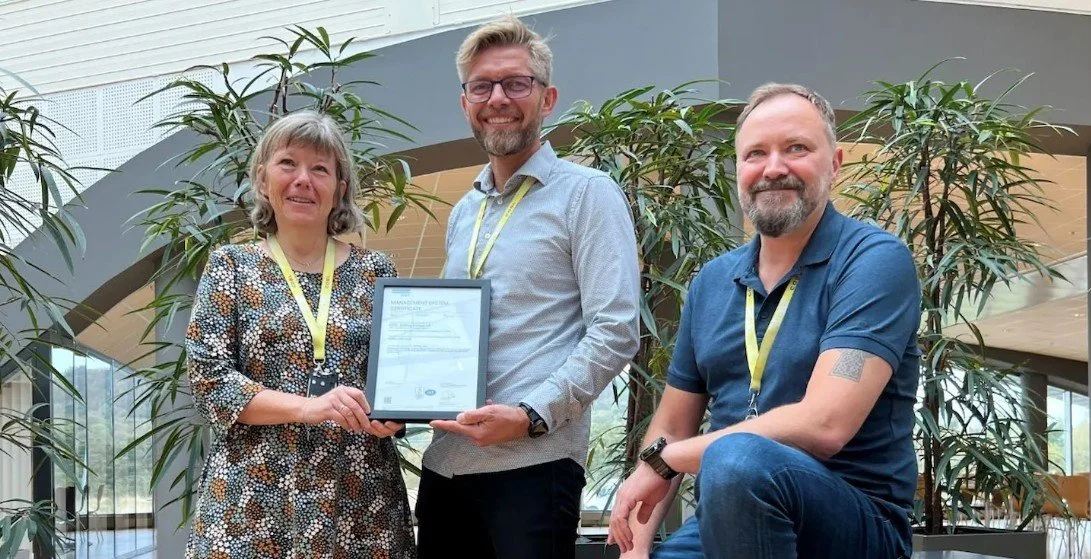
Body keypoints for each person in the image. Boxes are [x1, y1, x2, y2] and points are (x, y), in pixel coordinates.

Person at [607, 84, 921, 559]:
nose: (773, 168)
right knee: (732, 467)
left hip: (854, 521)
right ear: (738, 168)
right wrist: (636, 547)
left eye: (796, 148)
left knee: (737, 458)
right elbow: (671, 423)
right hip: (728, 517)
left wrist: (667, 461)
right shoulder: (713, 282)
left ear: (834, 164)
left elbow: (825, 424)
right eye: (755, 153)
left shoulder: (874, 261)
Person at [414, 15, 641, 559]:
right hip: (446, 466)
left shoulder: (588, 194)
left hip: (533, 466)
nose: (498, 98)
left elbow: (615, 330)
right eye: (482, 86)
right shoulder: (464, 212)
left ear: (548, 98)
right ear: (465, 103)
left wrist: (530, 415)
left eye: (516, 83)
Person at [185, 110, 416, 558]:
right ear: (263, 179)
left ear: (340, 189)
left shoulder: (376, 271)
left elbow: (397, 376)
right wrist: (309, 407)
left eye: (320, 169)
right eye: (288, 163)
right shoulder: (230, 266)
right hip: (252, 498)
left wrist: (399, 412)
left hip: (358, 496)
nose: (303, 180)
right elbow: (209, 382)